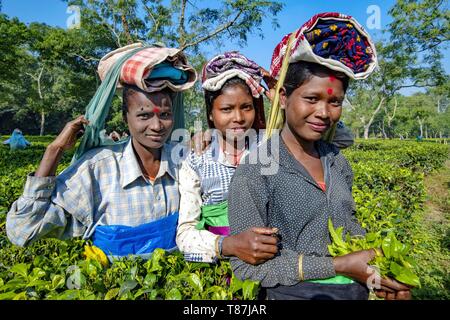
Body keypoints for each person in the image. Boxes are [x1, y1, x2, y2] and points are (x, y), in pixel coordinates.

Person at [227, 13, 412, 300]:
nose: (324, 113)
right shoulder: (255, 170)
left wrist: (381, 276)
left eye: (334, 101)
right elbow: (247, 266)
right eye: (312, 99)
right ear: (284, 98)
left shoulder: (337, 161)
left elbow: (349, 231)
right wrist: (336, 266)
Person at [6, 44, 197, 260]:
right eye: (144, 116)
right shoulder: (98, 168)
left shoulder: (182, 161)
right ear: (126, 118)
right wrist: (54, 151)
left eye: (164, 114)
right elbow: (22, 229)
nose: (156, 126)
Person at [176, 52, 279, 264]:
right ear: (211, 114)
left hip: (272, 260)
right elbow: (185, 234)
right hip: (219, 267)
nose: (238, 118)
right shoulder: (197, 158)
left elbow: (334, 138)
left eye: (246, 107)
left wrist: (279, 98)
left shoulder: (270, 145)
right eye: (226, 109)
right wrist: (227, 245)